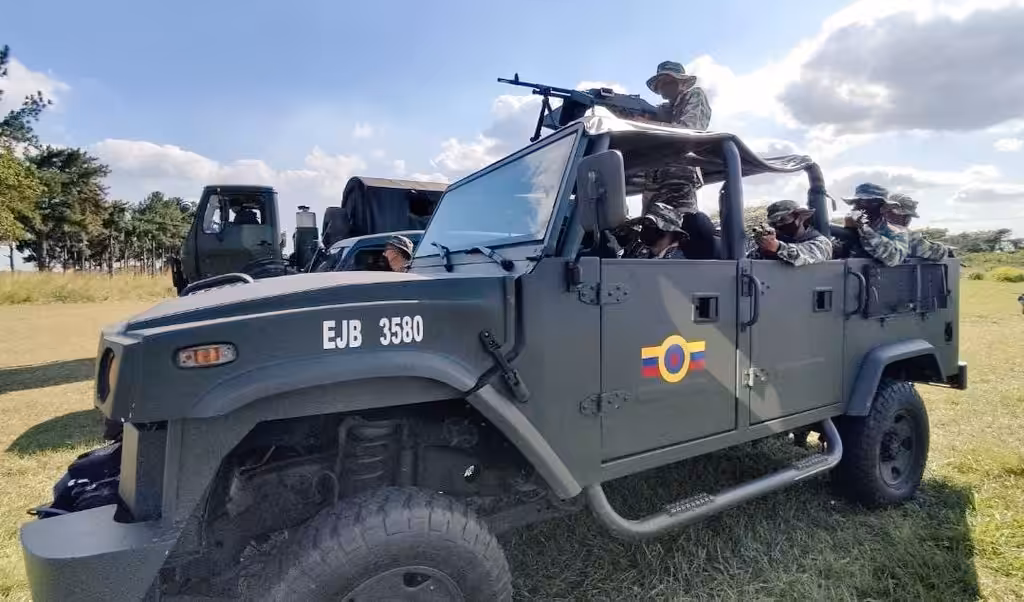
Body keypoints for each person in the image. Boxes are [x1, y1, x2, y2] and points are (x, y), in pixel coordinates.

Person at [636, 61, 713, 223]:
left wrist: (643, 123)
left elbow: (690, 130)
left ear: (683, 82)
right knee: (651, 233)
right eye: (660, 84)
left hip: (679, 180)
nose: (663, 87)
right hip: (653, 182)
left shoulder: (695, 95)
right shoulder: (662, 110)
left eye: (668, 81)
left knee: (683, 228)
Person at [839, 183, 909, 267]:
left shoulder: (895, 231)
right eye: (858, 203)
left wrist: (865, 230)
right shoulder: (853, 227)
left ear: (883, 208)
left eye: (870, 203)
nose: (862, 208)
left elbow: (894, 259)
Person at [747, 200, 832, 266]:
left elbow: (805, 255)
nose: (778, 225)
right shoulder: (777, 239)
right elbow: (748, 261)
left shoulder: (822, 243)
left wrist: (778, 247)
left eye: (783, 220)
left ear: (799, 217)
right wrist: (763, 249)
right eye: (774, 223)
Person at [887, 192, 952, 261]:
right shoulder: (905, 236)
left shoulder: (877, 231)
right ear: (904, 218)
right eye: (908, 217)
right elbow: (937, 253)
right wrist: (946, 249)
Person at [621, 202, 689, 259]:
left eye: (653, 226)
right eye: (645, 226)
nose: (647, 231)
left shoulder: (678, 262)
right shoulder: (637, 250)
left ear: (672, 234)